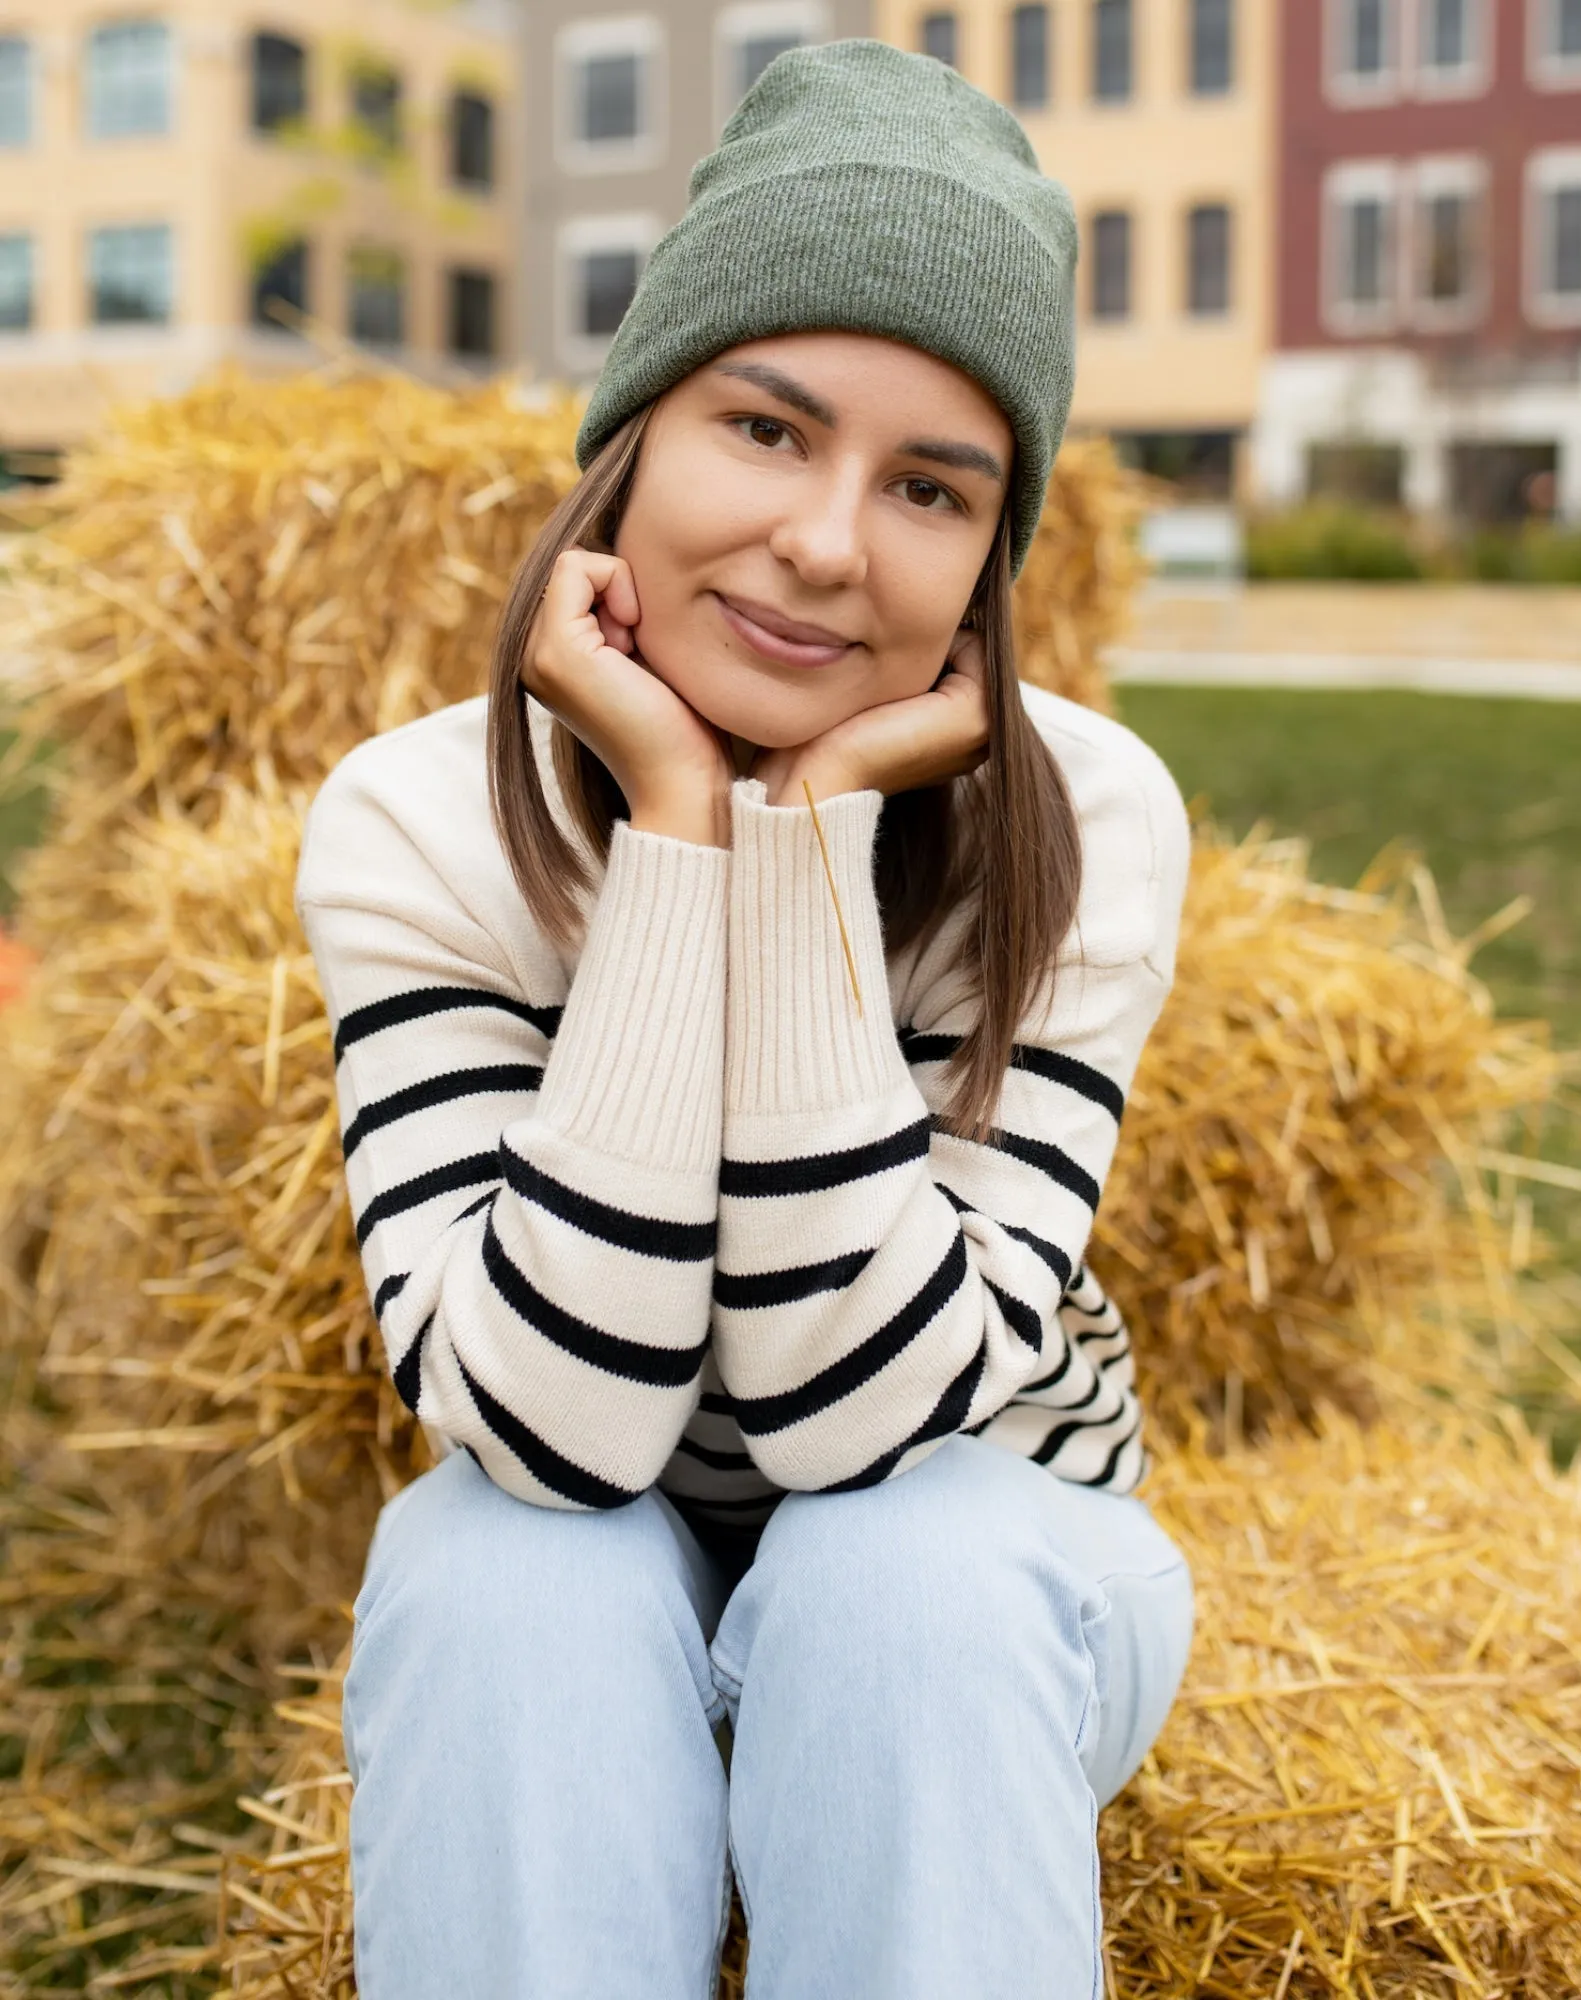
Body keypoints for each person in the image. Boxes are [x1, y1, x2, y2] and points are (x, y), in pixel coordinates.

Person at [295, 40, 1195, 2000]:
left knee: (900, 1578)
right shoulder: (416, 823)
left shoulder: (1082, 819)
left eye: (929, 488)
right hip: (592, 1546)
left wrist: (800, 846)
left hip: (990, 1558)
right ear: (631, 439)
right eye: (765, 429)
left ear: (986, 563)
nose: (823, 542)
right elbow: (548, 1429)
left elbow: (857, 1426)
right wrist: (678, 836)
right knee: (495, 1566)